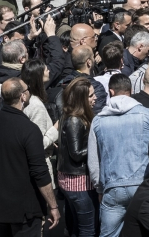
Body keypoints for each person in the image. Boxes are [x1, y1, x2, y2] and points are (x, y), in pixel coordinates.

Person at [0, 78, 60, 235]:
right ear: (23, 96)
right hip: (24, 211)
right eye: (27, 89)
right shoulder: (29, 130)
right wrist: (53, 205)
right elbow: (40, 172)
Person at [88, 73, 149, 236]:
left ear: (111, 92)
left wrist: (99, 188)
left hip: (112, 188)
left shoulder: (98, 120)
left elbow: (94, 163)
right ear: (130, 90)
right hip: (143, 186)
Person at [57, 77, 99, 236]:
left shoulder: (73, 116)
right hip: (78, 183)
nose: (95, 98)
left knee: (76, 227)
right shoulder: (74, 119)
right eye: (91, 96)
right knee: (87, 229)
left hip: (74, 182)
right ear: (81, 99)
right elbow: (76, 154)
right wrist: (97, 145)